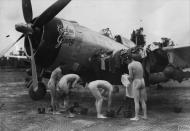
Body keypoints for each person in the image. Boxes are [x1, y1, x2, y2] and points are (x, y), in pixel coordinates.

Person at [125, 52, 147, 121]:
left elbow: (131, 77)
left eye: (126, 61)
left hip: (136, 82)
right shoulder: (139, 63)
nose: (126, 62)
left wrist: (126, 77)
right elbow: (142, 72)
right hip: (142, 81)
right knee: (143, 100)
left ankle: (136, 117)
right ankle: (145, 116)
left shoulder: (130, 65)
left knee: (136, 101)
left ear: (128, 59)